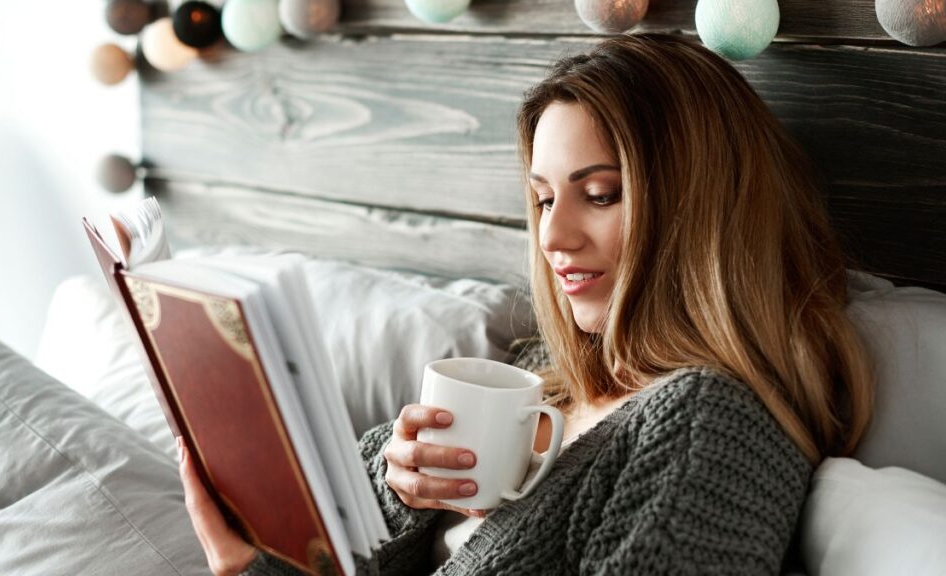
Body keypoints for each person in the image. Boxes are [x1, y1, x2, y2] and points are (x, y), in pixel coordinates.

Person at [178, 33, 874, 575]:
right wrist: (400, 493)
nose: (552, 236)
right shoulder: (547, 376)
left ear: (703, 209)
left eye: (600, 193)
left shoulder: (711, 428)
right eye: (543, 198)